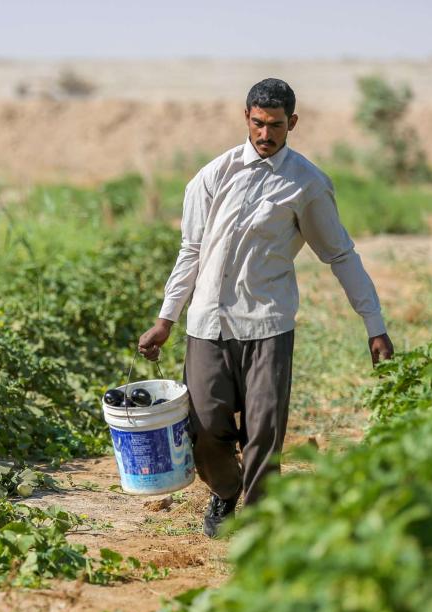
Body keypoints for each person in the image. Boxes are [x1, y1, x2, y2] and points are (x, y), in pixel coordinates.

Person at [137, 78, 394, 537]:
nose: (265, 134)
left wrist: (373, 325)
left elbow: (339, 255)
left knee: (264, 431)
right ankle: (225, 490)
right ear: (246, 118)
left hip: (268, 324)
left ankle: (258, 528)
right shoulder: (212, 176)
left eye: (275, 125)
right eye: (258, 123)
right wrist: (165, 319)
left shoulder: (307, 184)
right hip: (208, 322)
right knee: (205, 425)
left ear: (292, 123)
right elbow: (190, 250)